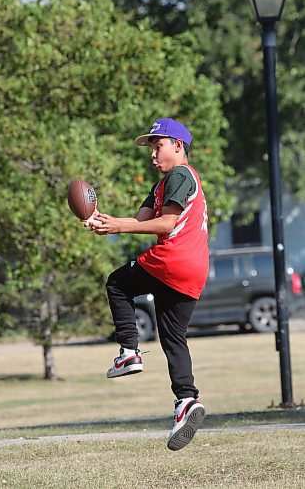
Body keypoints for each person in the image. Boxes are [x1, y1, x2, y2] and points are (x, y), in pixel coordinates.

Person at [85, 118, 209, 451]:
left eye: (158, 146)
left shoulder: (180, 175)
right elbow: (141, 221)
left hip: (174, 258)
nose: (153, 155)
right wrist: (100, 220)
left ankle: (128, 352)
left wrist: (118, 228)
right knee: (173, 338)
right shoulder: (160, 186)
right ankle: (186, 400)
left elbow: (168, 223)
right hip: (193, 270)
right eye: (151, 148)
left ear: (178, 146)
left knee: (117, 283)